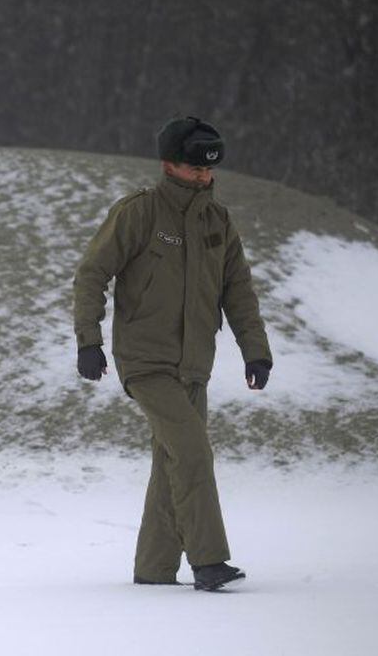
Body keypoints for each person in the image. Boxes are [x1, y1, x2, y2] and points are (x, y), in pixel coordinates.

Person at [72, 116, 273, 591]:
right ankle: (208, 561)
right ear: (168, 164)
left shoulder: (218, 221)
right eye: (194, 169)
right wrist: (88, 341)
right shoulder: (139, 213)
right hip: (146, 362)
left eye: (209, 170)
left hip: (194, 365)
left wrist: (256, 352)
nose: (204, 177)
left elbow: (238, 291)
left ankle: (154, 570)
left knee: (172, 463)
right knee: (193, 452)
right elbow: (91, 273)